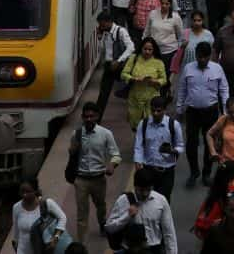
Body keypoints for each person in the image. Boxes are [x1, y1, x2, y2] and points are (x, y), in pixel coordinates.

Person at [175, 41, 228, 188]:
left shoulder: (217, 69)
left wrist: (225, 112)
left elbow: (224, 90)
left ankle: (206, 173)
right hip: (192, 112)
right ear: (196, 56)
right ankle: (194, 172)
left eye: (205, 57)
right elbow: (182, 89)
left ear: (209, 56)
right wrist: (179, 109)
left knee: (209, 144)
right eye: (199, 57)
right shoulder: (188, 69)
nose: (202, 60)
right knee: (191, 143)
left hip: (211, 111)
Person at [70, 101, 122, 244]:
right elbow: (72, 155)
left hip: (99, 179)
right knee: (82, 214)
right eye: (86, 117)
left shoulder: (106, 134)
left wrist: (112, 165)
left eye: (92, 116)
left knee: (100, 205)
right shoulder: (76, 134)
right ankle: (82, 244)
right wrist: (72, 150)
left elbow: (116, 154)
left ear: (97, 116)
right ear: (82, 117)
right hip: (81, 180)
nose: (89, 119)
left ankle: (102, 224)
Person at [104, 168, 179, 254]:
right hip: (131, 250)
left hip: (154, 249)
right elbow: (109, 228)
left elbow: (169, 232)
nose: (145, 194)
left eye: (148, 190)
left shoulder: (161, 201)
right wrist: (127, 216)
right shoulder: (123, 200)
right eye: (141, 190)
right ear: (135, 186)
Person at [133, 96, 184, 200]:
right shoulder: (143, 124)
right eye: (153, 110)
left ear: (165, 110)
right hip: (148, 170)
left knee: (163, 200)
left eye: (158, 111)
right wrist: (138, 162)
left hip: (166, 172)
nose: (155, 113)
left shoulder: (173, 125)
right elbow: (138, 146)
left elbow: (180, 146)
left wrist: (172, 151)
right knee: (146, 199)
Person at [11, 179, 69, 254]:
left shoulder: (47, 204)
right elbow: (16, 230)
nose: (24, 195)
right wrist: (16, 245)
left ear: (35, 191)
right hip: (23, 250)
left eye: (28, 192)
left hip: (43, 249)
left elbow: (62, 218)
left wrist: (56, 237)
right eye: (22, 192)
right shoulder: (16, 207)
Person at [96, 11, 134, 118]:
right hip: (109, 66)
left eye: (102, 24)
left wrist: (118, 61)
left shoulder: (121, 31)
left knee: (131, 86)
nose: (101, 26)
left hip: (120, 65)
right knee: (103, 93)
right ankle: (97, 118)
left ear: (109, 22)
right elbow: (102, 50)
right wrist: (99, 37)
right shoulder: (104, 32)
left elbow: (131, 47)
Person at [192, 160, 234, 242]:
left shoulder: (215, 187)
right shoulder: (233, 192)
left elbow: (204, 209)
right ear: (233, 175)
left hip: (208, 229)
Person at [124, 37, 168, 129]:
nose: (147, 52)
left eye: (150, 49)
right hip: (135, 98)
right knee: (136, 126)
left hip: (152, 99)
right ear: (141, 48)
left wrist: (155, 81)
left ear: (153, 50)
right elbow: (123, 74)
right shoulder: (133, 58)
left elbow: (164, 79)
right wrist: (134, 79)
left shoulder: (158, 62)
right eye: (145, 49)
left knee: (151, 126)